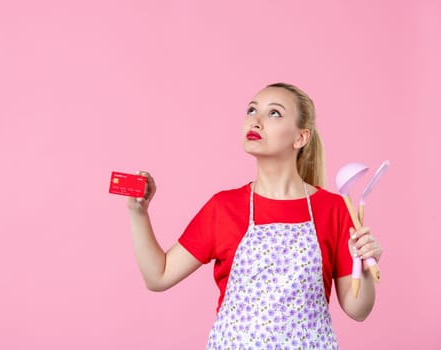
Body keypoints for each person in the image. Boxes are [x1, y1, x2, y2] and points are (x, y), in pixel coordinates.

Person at [127, 82, 383, 349]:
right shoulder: (223, 207)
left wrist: (364, 263)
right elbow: (159, 276)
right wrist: (138, 212)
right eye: (252, 110)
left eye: (274, 113)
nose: (256, 120)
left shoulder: (335, 209)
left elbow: (358, 310)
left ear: (301, 138)